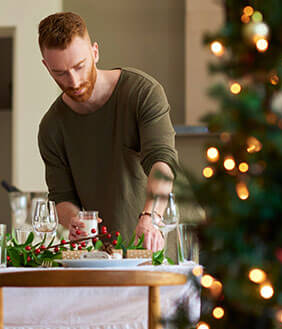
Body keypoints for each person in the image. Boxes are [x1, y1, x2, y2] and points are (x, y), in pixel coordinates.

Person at [37, 12, 178, 251]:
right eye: (59, 73)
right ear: (47, 67)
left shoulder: (142, 93)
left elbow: (162, 163)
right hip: (97, 258)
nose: (73, 81)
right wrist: (74, 220)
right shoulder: (52, 127)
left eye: (79, 66)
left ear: (95, 52)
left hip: (154, 244)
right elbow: (62, 197)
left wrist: (150, 218)